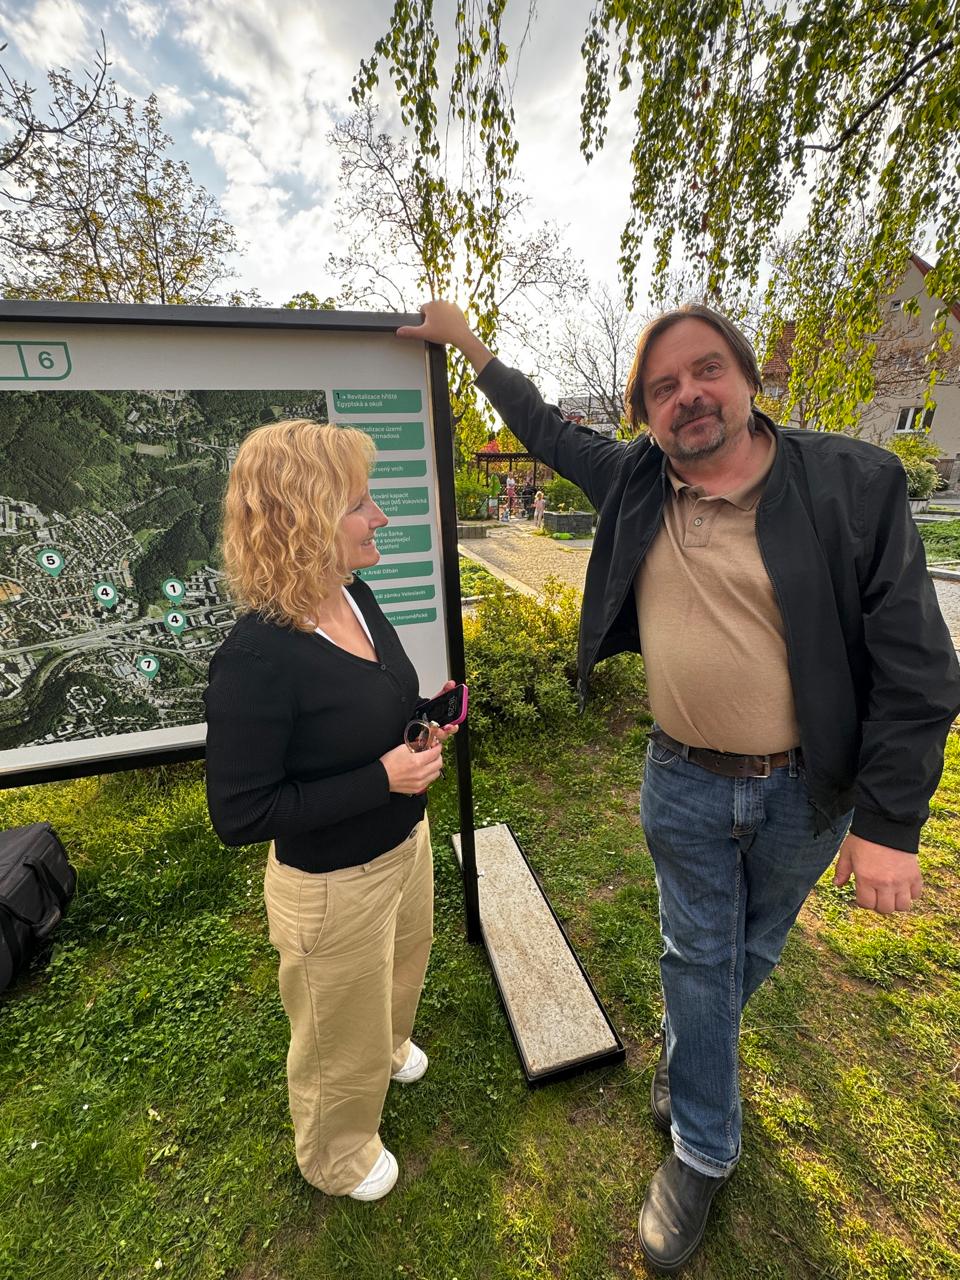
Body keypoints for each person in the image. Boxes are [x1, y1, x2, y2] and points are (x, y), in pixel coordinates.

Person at [397, 301, 960, 1271]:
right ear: (646, 412)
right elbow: (546, 430)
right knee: (700, 956)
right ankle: (703, 1148)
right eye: (662, 387)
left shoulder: (852, 483)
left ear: (746, 378)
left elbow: (918, 668)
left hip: (809, 791)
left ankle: (689, 1045)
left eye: (705, 370)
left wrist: (892, 824)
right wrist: (471, 347)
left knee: (747, 951)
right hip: (683, 782)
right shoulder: (635, 477)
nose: (687, 395)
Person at [203, 419, 459, 1203]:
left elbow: (369, 707)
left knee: (402, 970)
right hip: (331, 885)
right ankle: (336, 1155)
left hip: (405, 846)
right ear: (303, 521)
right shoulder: (255, 658)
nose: (379, 516)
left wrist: (422, 719)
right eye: (359, 504)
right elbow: (240, 813)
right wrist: (383, 778)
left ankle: (389, 1048)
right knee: (335, 1033)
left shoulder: (356, 594)